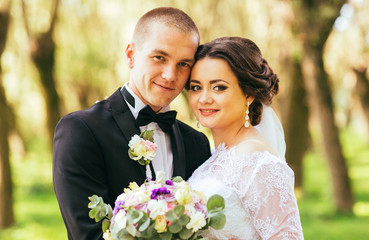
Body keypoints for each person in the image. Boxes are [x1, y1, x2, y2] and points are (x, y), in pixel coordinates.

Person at [52, 7, 211, 240]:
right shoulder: (81, 131)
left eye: (183, 64)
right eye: (160, 57)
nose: (170, 75)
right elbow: (88, 234)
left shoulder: (197, 143)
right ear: (130, 55)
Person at [187, 37, 304, 239]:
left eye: (219, 87)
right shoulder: (218, 154)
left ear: (248, 94)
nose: (204, 98)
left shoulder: (257, 160)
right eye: (196, 87)